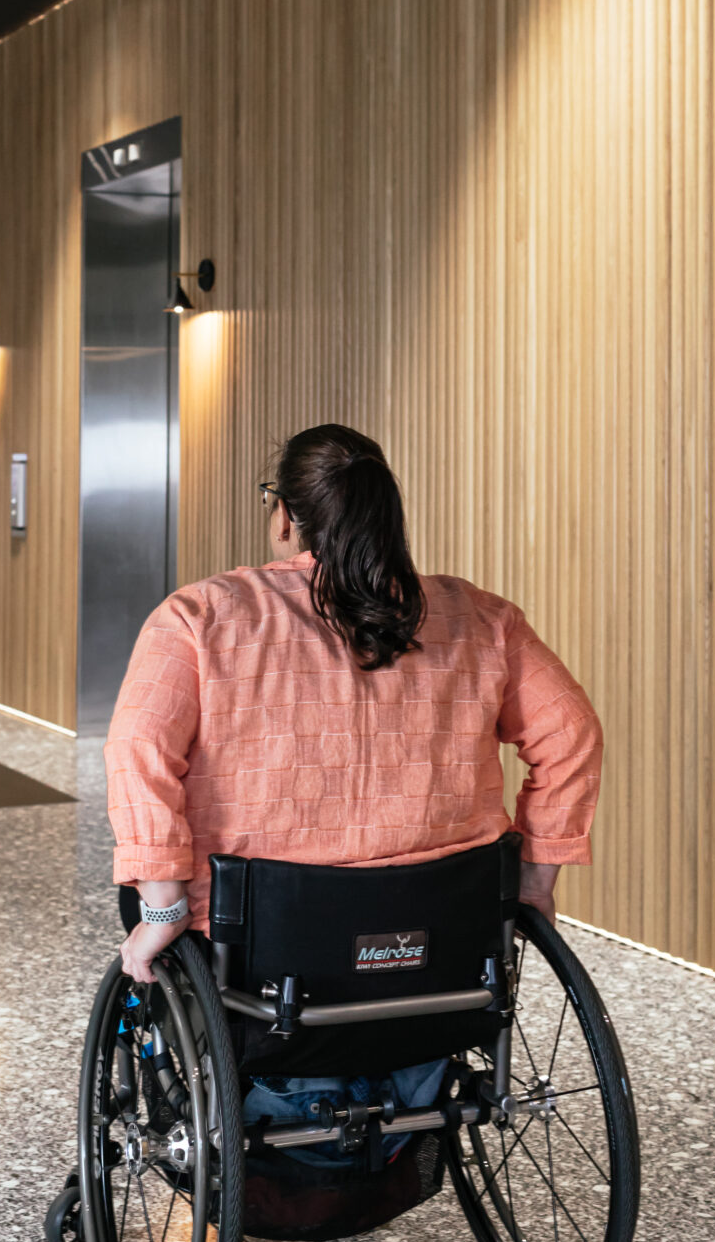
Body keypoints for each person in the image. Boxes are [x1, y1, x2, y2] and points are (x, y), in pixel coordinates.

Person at [106, 422, 603, 990]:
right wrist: (535, 876)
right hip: (443, 930)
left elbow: (138, 750)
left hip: (261, 937)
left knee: (146, 894)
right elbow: (572, 732)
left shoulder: (199, 617)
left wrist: (163, 907)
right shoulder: (484, 617)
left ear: (285, 516)